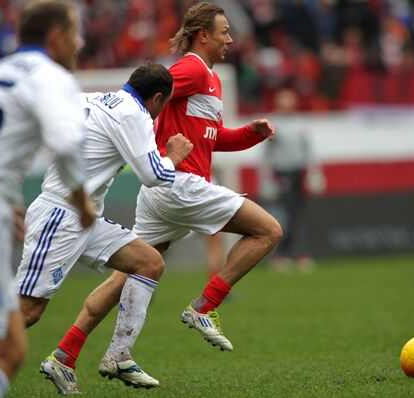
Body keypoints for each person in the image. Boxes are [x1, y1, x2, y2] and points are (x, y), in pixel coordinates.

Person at [43, 1, 282, 392]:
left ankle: (66, 354)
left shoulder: (211, 79)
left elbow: (211, 138)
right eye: (224, 32)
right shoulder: (189, 68)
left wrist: (249, 134)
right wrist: (150, 145)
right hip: (180, 184)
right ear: (204, 35)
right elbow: (148, 95)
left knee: (134, 269)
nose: (230, 39)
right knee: (268, 230)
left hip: (164, 190)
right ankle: (205, 306)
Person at [14, 64, 193, 394]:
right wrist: (174, 156)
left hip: (84, 216)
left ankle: (112, 356)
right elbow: (153, 175)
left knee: (148, 262)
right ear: (157, 98)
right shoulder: (134, 114)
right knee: (27, 311)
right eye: (164, 105)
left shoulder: (93, 98)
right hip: (60, 215)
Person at [0, 1, 95, 397]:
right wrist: (82, 201)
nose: (81, 41)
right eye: (75, 32)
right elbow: (67, 139)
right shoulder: (50, 76)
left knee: (12, 349)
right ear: (56, 36)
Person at [265, 88, 315, 272]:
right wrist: (266, 179)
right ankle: (281, 255)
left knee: (298, 213)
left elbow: (309, 150)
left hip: (299, 173)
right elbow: (266, 154)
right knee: (284, 214)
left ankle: (299, 253)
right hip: (282, 173)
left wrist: (314, 173)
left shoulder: (301, 123)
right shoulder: (273, 123)